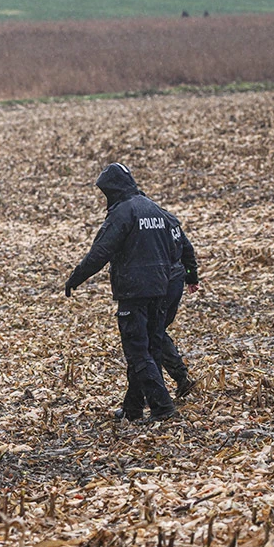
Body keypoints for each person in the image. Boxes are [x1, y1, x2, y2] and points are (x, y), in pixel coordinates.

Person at [64, 163, 178, 423]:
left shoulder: (122, 213)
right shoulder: (153, 208)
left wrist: (75, 278)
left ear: (112, 190)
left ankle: (162, 407)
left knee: (138, 352)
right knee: (152, 348)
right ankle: (133, 408)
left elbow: (100, 252)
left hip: (134, 291)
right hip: (160, 288)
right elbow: (174, 247)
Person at [157, 208, 200, 401]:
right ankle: (180, 379)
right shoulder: (167, 217)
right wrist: (191, 277)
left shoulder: (144, 218)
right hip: (176, 281)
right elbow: (186, 248)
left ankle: (180, 378)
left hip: (163, 283)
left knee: (154, 332)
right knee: (157, 331)